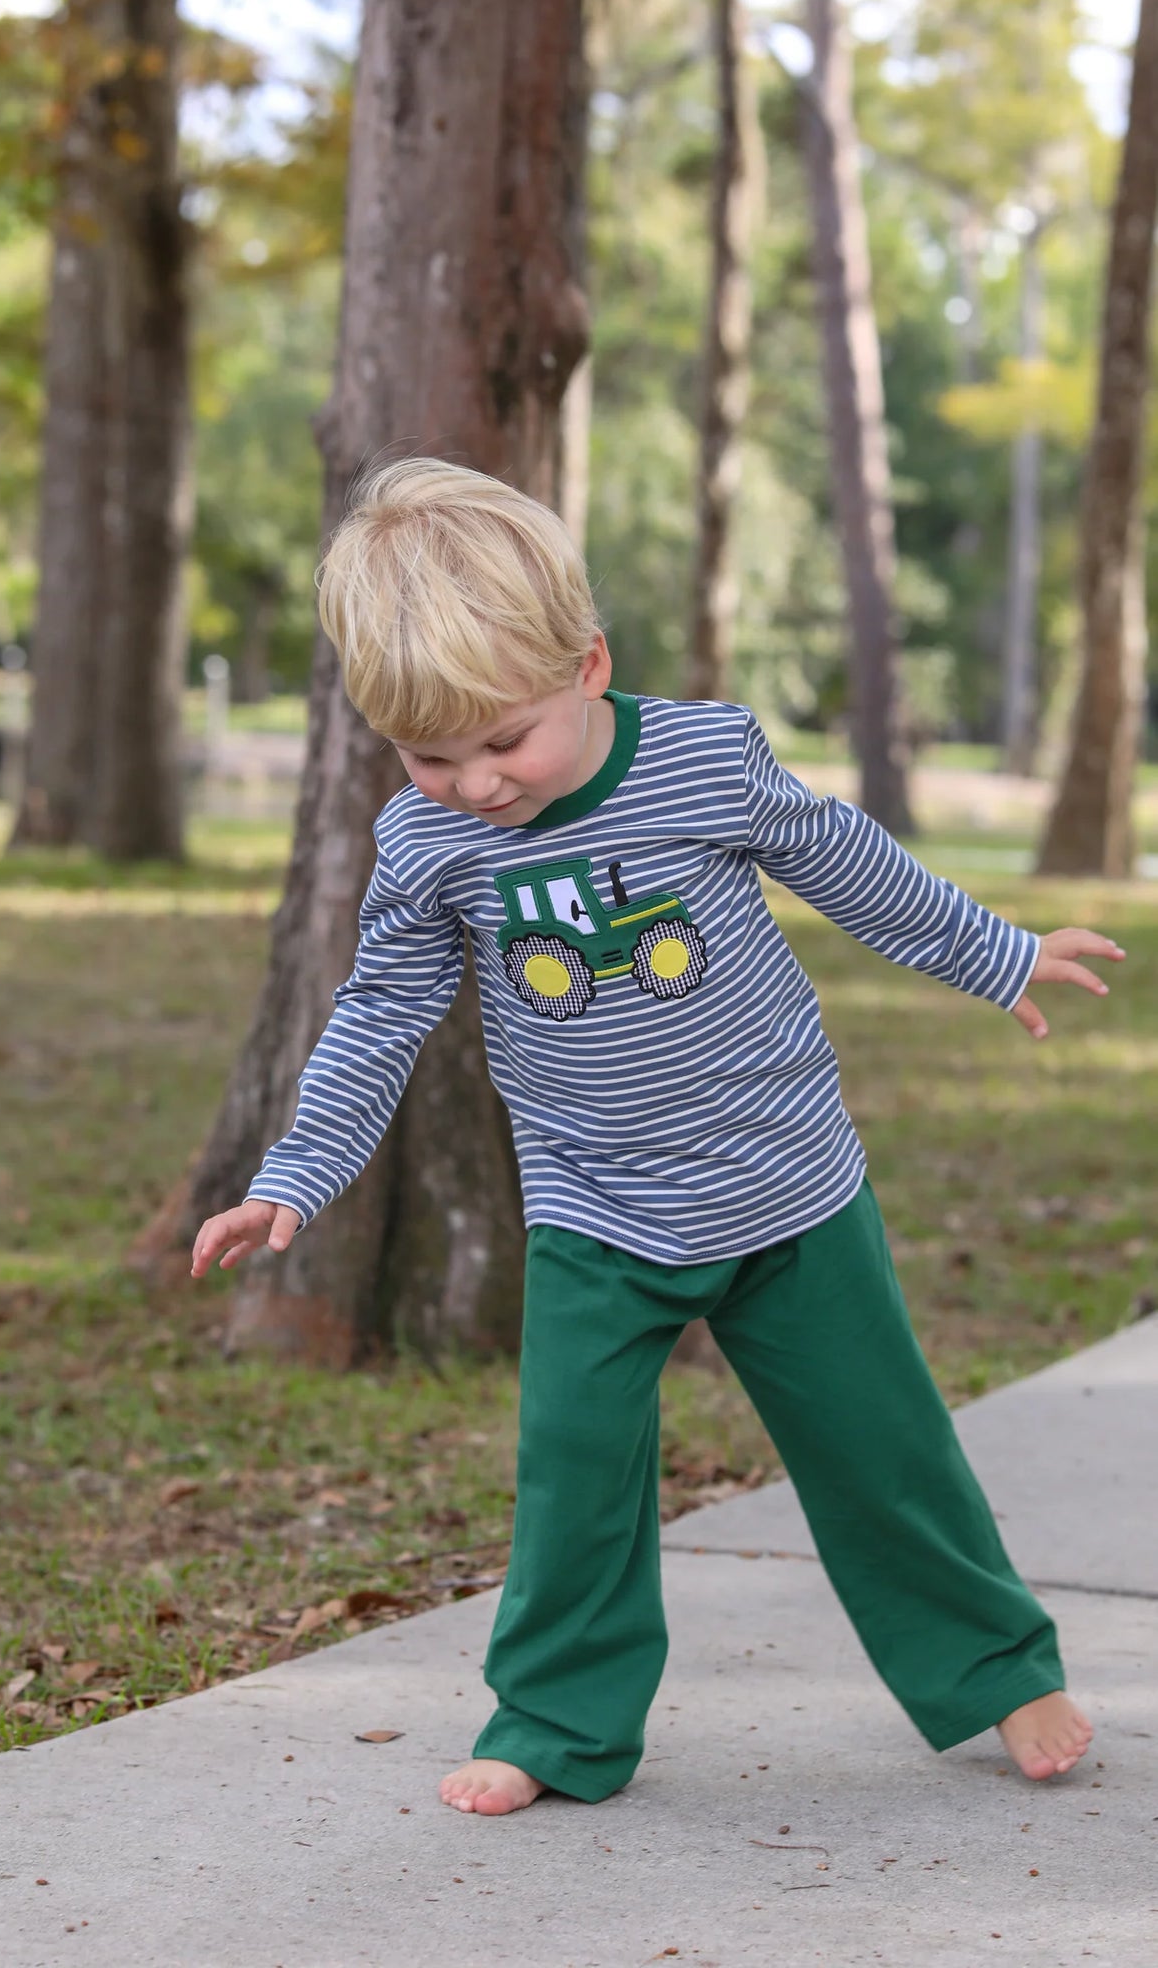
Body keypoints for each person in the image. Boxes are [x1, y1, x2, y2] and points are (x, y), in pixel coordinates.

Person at [192, 457, 1121, 1818]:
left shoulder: (701, 757)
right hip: (596, 1211)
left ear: (588, 664)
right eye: (427, 756)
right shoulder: (427, 844)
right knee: (572, 1475)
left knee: (883, 1448)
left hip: (786, 1186)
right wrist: (292, 1176)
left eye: (501, 740)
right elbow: (378, 1012)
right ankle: (558, 1725)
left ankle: (995, 1669)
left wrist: (996, 954)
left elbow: (843, 859)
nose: (472, 784)